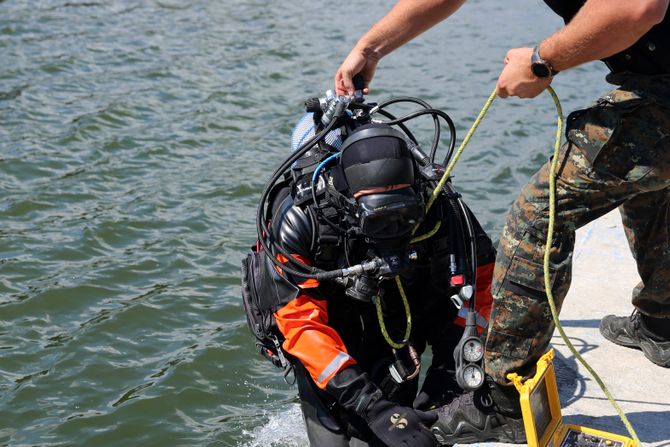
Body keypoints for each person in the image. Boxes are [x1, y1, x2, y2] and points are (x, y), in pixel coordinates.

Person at [335, 0, 670, 444]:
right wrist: (372, 47)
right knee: (647, 180)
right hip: (653, 82)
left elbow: (635, 7)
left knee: (538, 219)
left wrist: (540, 61)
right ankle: (661, 323)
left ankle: (505, 400)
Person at [245, 115, 498, 446]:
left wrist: (444, 383)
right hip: (327, 326)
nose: (394, 231)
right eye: (380, 221)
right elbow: (300, 325)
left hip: (398, 322)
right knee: (335, 436)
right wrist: (371, 406)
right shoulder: (303, 220)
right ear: (352, 205)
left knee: (407, 426)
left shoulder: (439, 205)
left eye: (404, 217)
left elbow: (481, 287)